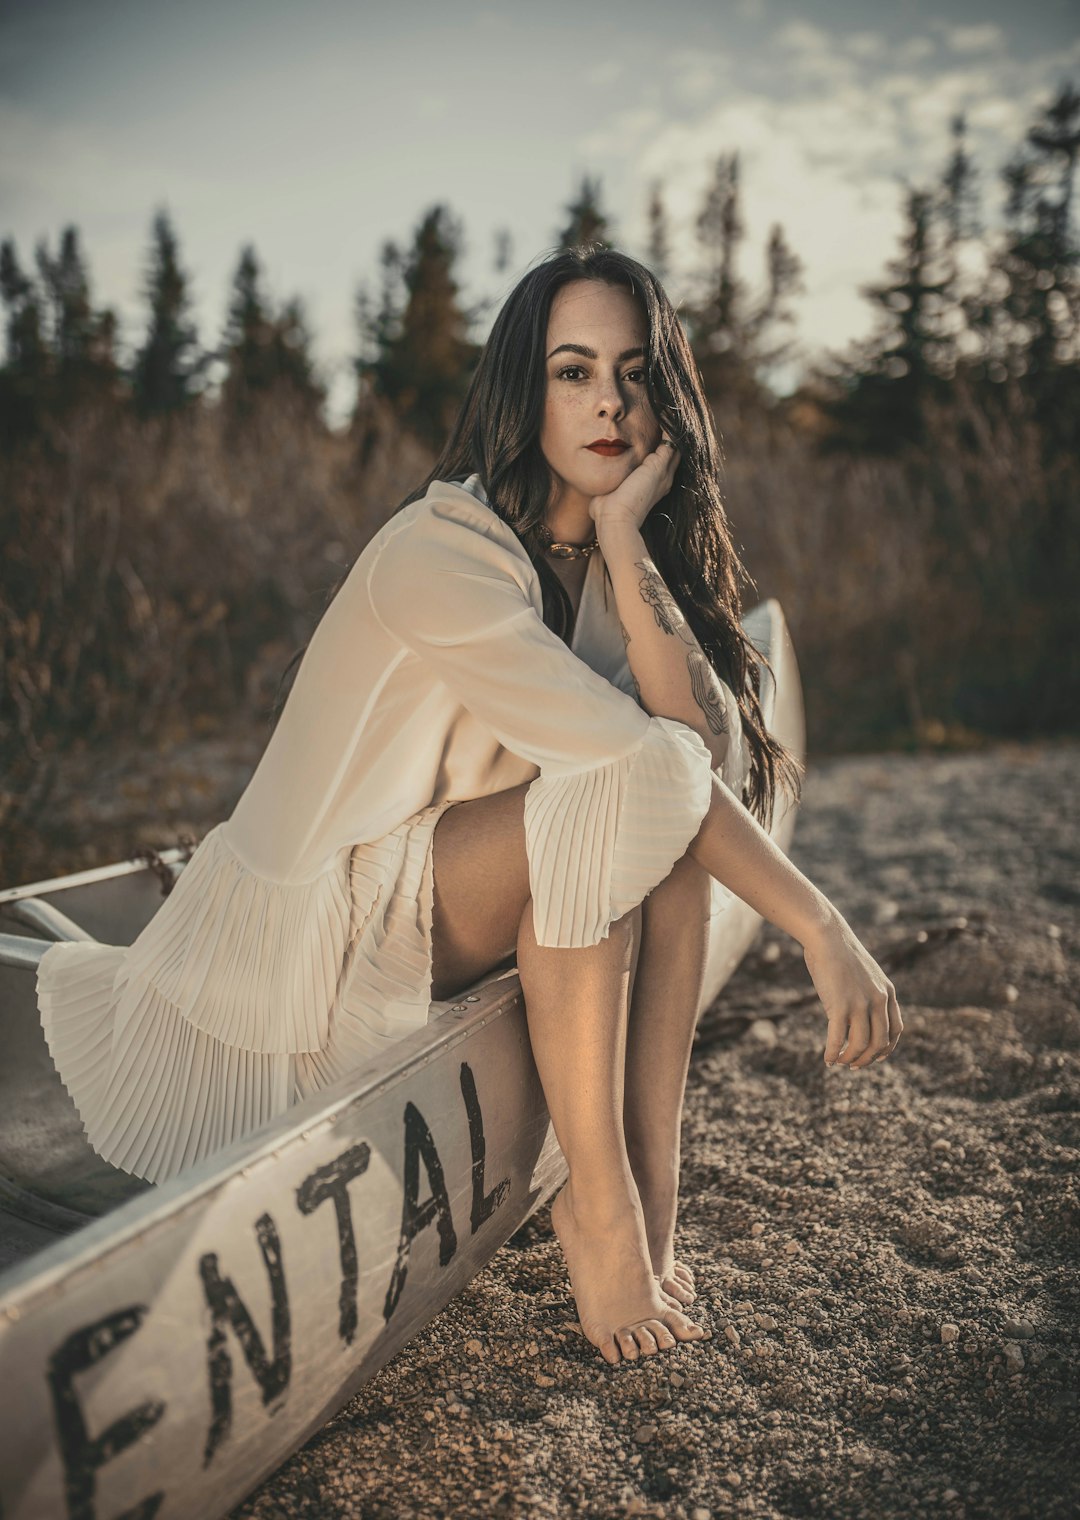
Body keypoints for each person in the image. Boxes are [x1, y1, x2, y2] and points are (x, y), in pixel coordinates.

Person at [36, 245, 903, 1368]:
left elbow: (706, 751)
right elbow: (656, 772)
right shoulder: (442, 554)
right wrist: (817, 924)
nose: (608, 403)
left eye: (634, 374)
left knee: (657, 831)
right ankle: (596, 1205)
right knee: (607, 805)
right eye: (574, 371)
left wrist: (633, 541)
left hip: (429, 897)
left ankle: (645, 1194)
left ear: (666, 402)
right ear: (523, 389)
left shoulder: (596, 561)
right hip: (308, 944)